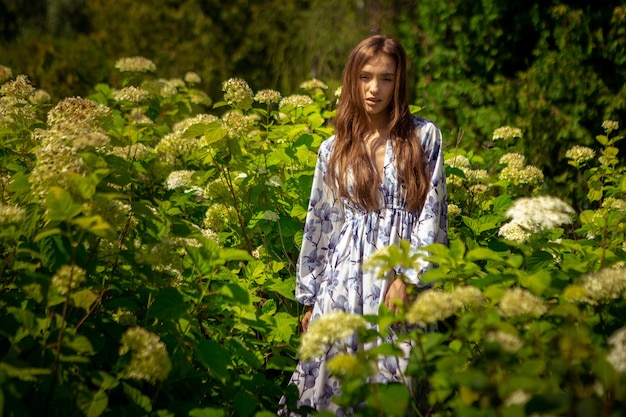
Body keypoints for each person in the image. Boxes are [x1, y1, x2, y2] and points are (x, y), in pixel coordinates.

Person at [287, 34, 448, 414]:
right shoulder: (334, 147)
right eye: (365, 77)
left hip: (398, 287)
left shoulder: (424, 138)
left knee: (397, 391)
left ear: (399, 82)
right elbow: (320, 224)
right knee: (333, 395)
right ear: (352, 80)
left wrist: (407, 278)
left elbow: (432, 214)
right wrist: (310, 301)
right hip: (340, 290)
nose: (375, 89)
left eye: (386, 78)